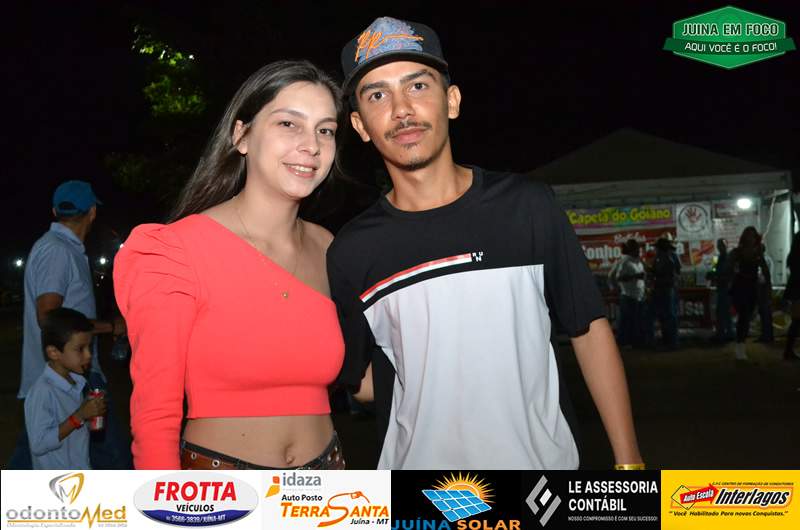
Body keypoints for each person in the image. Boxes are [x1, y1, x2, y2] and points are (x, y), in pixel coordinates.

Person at [328, 17, 643, 470]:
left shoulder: (527, 206)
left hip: (540, 480)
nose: (401, 110)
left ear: (452, 101)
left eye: (418, 86)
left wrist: (629, 463)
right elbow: (360, 384)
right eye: (378, 95)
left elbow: (588, 330)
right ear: (359, 125)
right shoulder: (353, 250)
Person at [113, 60, 346, 470]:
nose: (311, 145)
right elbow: (155, 419)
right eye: (289, 124)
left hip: (328, 478)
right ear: (241, 136)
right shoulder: (173, 250)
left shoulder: (329, 247)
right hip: (219, 487)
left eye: (325, 130)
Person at [10, 180, 130, 470]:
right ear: (92, 212)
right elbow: (48, 315)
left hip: (68, 373)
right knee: (113, 457)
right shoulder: (58, 251)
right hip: (65, 374)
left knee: (38, 454)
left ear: (54, 211)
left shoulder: (61, 248)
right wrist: (110, 327)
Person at [25, 307, 107, 469]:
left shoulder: (76, 382)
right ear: (54, 352)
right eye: (80, 349)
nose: (88, 355)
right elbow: (39, 444)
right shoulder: (43, 392)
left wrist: (90, 415)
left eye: (89, 347)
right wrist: (79, 416)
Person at [729, 226, 769, 360]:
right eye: (748, 236)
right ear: (744, 238)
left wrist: (767, 283)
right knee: (744, 315)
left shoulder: (758, 252)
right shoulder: (738, 252)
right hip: (740, 286)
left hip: (752, 286)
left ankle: (740, 344)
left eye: (753, 236)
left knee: (747, 316)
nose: (750, 238)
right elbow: (729, 267)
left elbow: (764, 268)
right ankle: (740, 345)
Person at [608, 239, 646, 348]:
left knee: (635, 320)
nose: (639, 251)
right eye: (637, 249)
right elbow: (618, 277)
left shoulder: (637, 261)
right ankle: (624, 341)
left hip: (638, 295)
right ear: (632, 250)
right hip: (628, 295)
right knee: (627, 320)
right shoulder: (625, 262)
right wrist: (635, 276)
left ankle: (634, 341)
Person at [650, 236, 681, 350]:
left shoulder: (667, 259)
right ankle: (669, 340)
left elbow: (666, 275)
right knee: (666, 316)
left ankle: (671, 342)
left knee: (668, 316)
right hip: (665, 289)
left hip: (666, 289)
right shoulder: (665, 257)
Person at [707, 238, 735, 343]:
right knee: (725, 313)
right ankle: (728, 333)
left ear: (725, 246)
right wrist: (713, 274)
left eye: (721, 245)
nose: (720, 247)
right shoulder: (720, 258)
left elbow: (727, 274)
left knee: (721, 312)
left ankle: (722, 334)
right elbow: (719, 272)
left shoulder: (726, 258)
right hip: (723, 288)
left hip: (725, 288)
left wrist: (714, 276)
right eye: (719, 245)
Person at [782, 232, 800, 361]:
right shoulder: (796, 259)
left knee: (796, 321)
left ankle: (788, 350)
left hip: (795, 290)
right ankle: (788, 351)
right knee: (796, 321)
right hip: (798, 290)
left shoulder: (793, 257)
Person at [755, 242, 774, 343]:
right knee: (764, 313)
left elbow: (763, 277)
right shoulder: (763, 260)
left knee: (765, 313)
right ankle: (767, 335)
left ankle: (767, 335)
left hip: (764, 290)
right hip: (764, 289)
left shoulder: (763, 261)